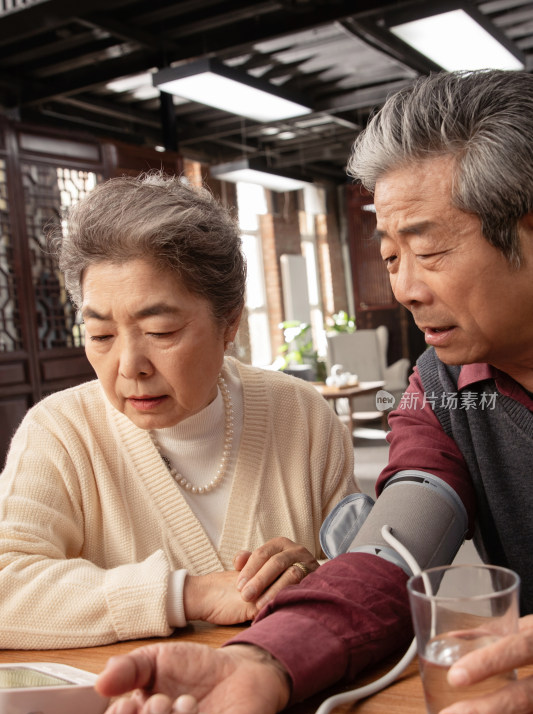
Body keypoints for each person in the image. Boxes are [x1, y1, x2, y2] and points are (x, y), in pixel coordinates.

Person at [85, 68, 533, 714]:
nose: (403, 288)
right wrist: (261, 661)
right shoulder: (441, 386)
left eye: (429, 249)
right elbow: (395, 547)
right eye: (390, 255)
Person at [0, 173, 357, 649]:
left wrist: (318, 577)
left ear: (230, 323)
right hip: (130, 712)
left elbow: (370, 577)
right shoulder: (62, 432)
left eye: (162, 331)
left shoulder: (302, 415)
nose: (129, 367)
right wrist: (185, 594)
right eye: (101, 336)